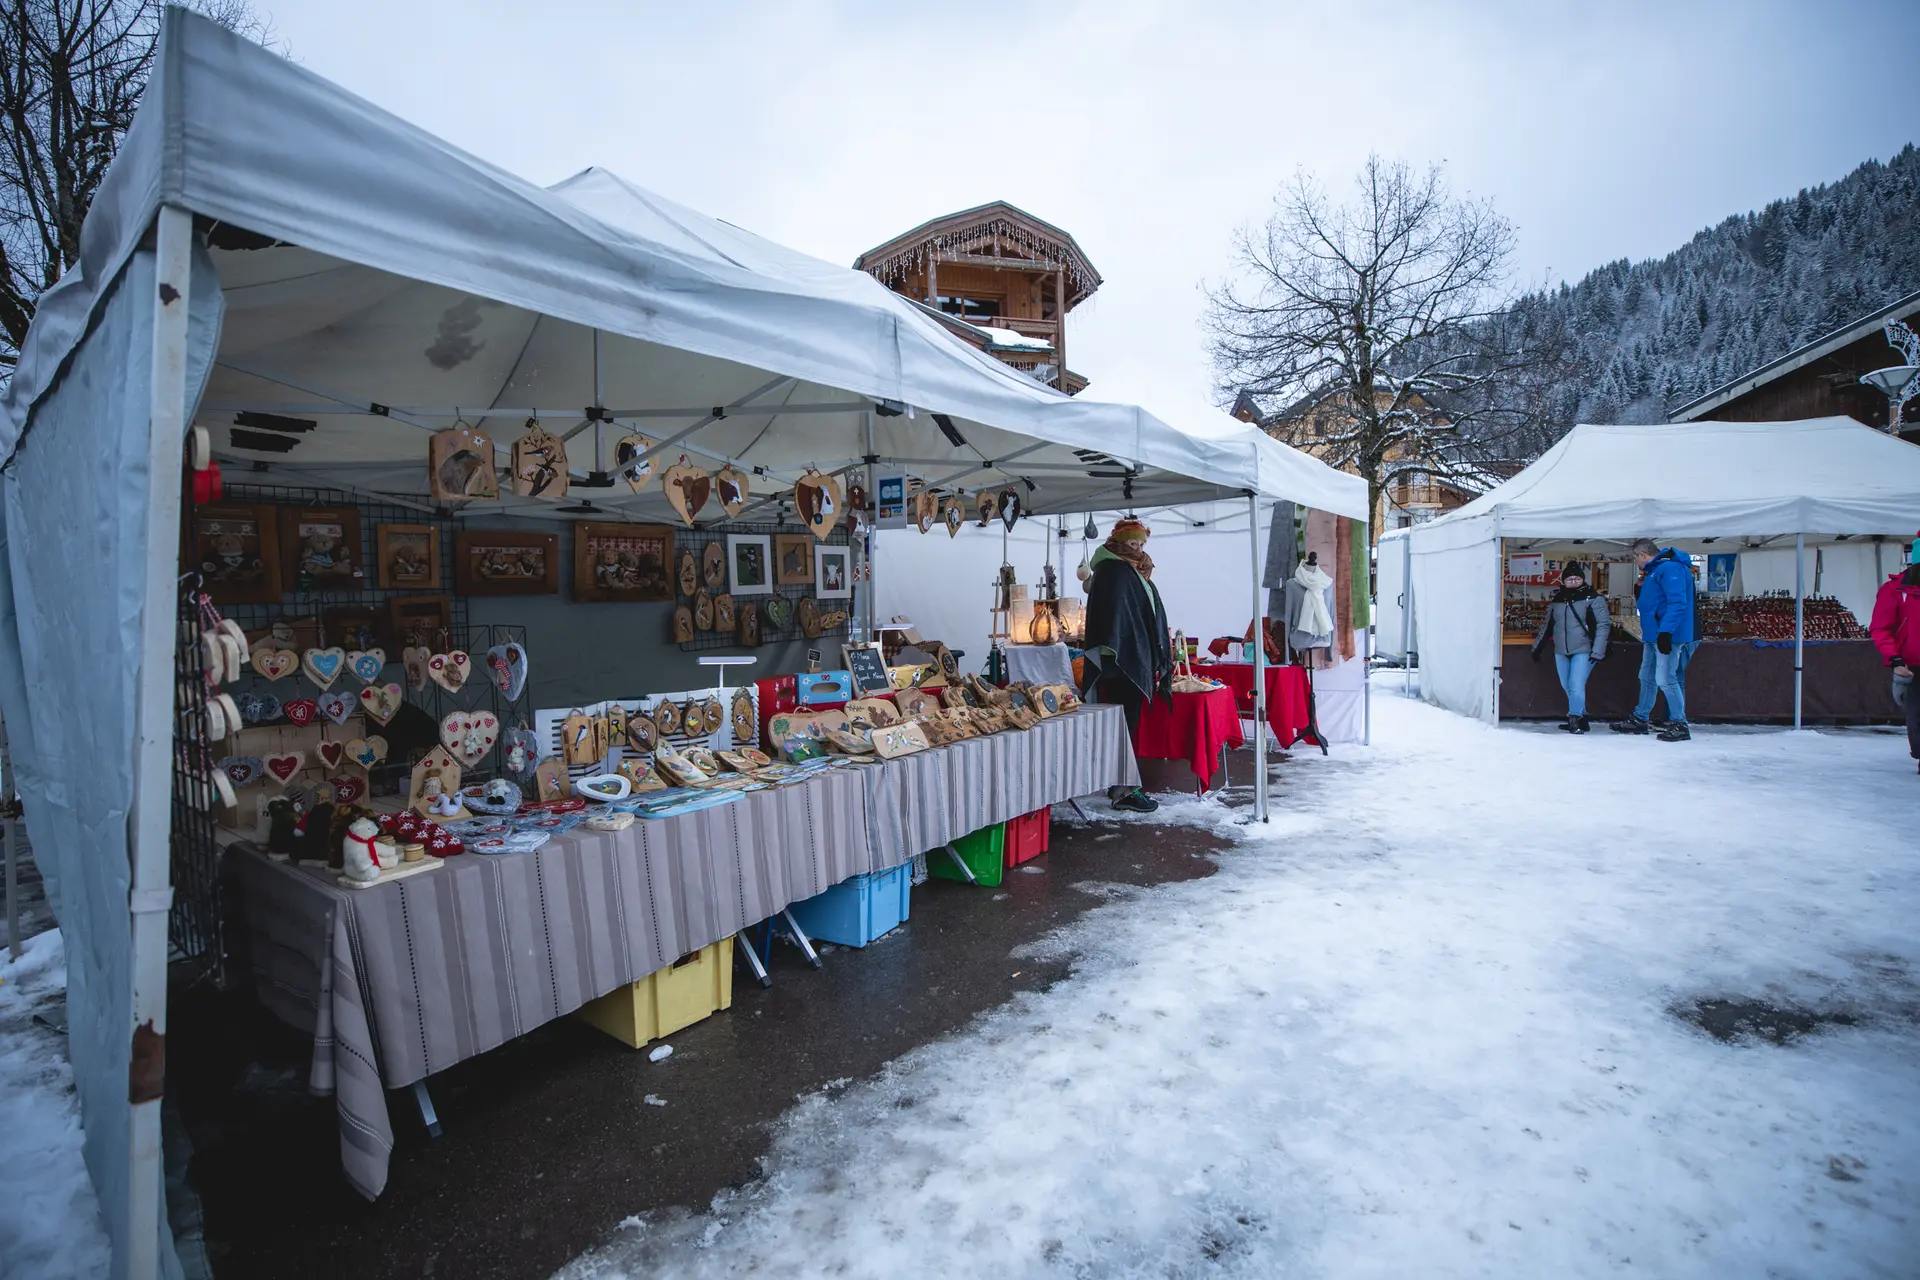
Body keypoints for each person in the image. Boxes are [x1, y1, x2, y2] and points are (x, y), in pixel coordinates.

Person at [1079, 517, 1173, 813]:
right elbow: (1120, 621)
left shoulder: (1126, 569)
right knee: (1124, 725)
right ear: (1120, 541)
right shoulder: (1115, 571)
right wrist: (1135, 652)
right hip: (1120, 662)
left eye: (1142, 543)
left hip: (1125, 659)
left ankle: (1120, 783)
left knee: (1124, 724)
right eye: (1133, 543)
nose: (1138, 548)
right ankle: (1124, 790)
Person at [1610, 538, 1697, 742]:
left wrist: (1666, 632)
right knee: (1646, 676)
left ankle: (1679, 723)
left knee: (1666, 678)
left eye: (1634, 557)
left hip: (1665, 634)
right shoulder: (1656, 571)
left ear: (1642, 554)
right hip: (1652, 634)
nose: (1636, 562)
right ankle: (1640, 718)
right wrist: (1640, 589)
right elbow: (1653, 603)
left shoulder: (1670, 569)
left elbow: (1677, 603)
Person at [1530, 561, 1610, 733]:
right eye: (1569, 579)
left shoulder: (1593, 598)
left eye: (1577, 578)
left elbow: (1603, 625)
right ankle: (1583, 717)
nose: (1573, 582)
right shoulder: (1558, 600)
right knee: (1567, 685)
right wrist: (1537, 647)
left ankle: (1574, 718)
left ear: (1582, 579)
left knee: (1576, 684)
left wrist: (1598, 650)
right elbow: (1548, 625)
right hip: (1561, 649)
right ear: (1564, 581)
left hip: (1584, 649)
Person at [1868, 536, 1920, 775]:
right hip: (1912, 666)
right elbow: (1880, 628)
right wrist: (1895, 659)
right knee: (1917, 715)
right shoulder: (1894, 591)